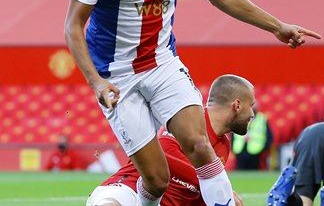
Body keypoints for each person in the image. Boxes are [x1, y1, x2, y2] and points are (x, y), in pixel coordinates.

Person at [64, 0, 322, 206]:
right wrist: (96, 82)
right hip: (117, 76)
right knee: (156, 181)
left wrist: (276, 26)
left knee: (200, 144)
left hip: (162, 64)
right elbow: (73, 26)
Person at [86, 74, 255, 206]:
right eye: (251, 106)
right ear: (237, 105)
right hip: (130, 190)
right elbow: (164, 153)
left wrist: (218, 195)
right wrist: (214, 181)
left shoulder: (224, 146)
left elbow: (199, 195)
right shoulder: (188, 118)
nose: (253, 114)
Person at [232, 102, 273, 170]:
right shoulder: (240, 117)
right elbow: (233, 134)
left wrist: (264, 149)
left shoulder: (262, 119)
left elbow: (269, 136)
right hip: (240, 149)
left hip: (255, 151)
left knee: (253, 173)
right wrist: (232, 147)